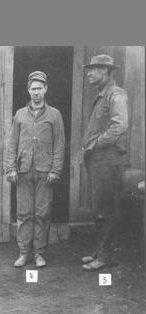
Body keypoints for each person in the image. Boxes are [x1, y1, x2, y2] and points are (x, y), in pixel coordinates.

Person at [5, 71, 65, 268]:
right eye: (33, 89)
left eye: (40, 88)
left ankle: (39, 253)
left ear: (46, 89)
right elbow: (12, 143)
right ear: (28, 90)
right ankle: (23, 253)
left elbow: (60, 145)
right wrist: (10, 168)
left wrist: (55, 170)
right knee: (23, 213)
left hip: (44, 172)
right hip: (23, 171)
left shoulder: (54, 114)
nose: (36, 92)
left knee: (42, 214)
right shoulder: (20, 114)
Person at [81, 55, 128, 271]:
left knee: (106, 207)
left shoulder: (115, 94)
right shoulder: (103, 94)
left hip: (108, 158)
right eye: (89, 69)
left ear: (107, 71)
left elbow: (120, 126)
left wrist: (95, 144)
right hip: (99, 159)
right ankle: (101, 250)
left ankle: (106, 256)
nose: (89, 73)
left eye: (94, 69)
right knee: (98, 206)